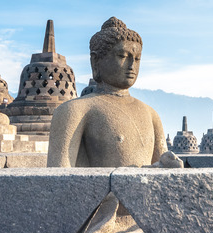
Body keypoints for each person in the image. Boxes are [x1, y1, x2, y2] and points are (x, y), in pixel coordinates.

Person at [47, 17, 178, 168]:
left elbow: (160, 169)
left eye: (137, 59)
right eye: (122, 56)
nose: (131, 65)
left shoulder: (151, 114)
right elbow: (59, 178)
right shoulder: (74, 111)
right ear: (96, 61)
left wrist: (167, 166)